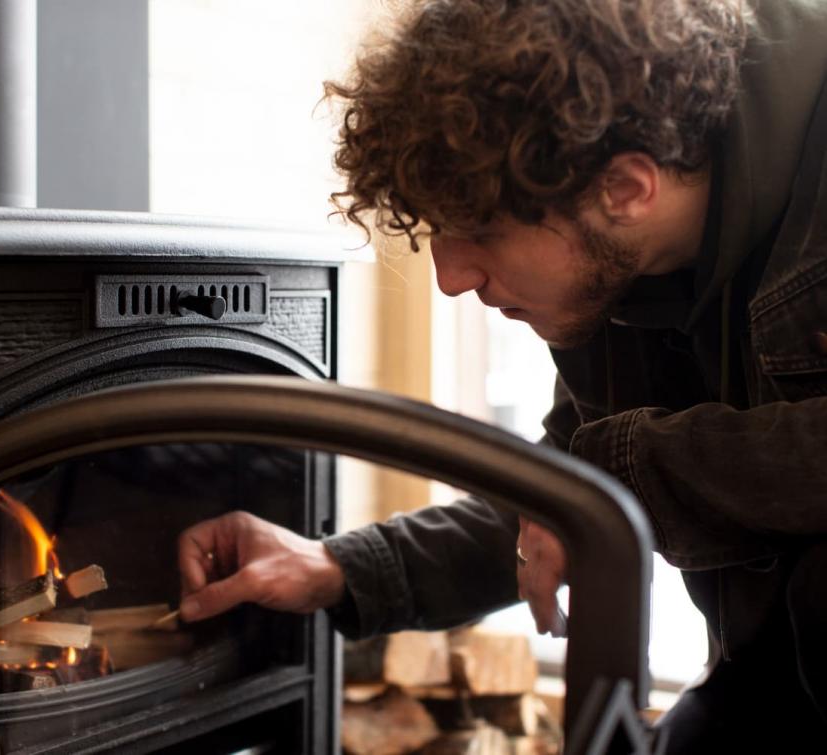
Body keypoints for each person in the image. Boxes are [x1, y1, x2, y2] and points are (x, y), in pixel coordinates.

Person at [177, 0, 827, 749]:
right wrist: (335, 566)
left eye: (481, 232)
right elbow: (554, 505)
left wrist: (624, 470)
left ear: (626, 188)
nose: (450, 277)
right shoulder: (613, 273)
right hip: (768, 691)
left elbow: (615, 476)